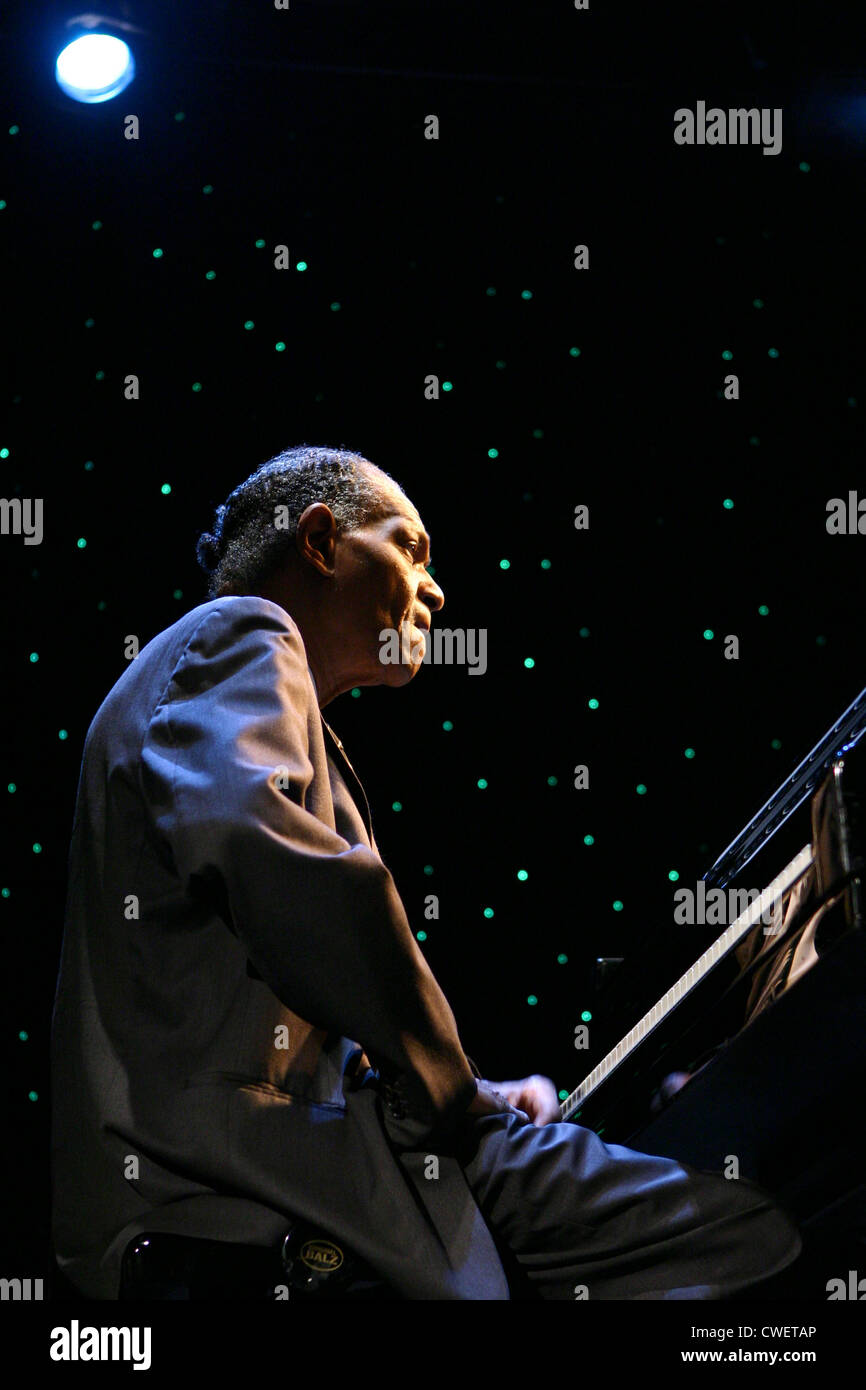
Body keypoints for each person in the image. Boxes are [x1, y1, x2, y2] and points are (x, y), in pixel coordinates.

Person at [50, 443, 802, 1300]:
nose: (436, 589)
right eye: (409, 546)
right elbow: (284, 871)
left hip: (268, 1166)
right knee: (756, 1227)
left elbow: (295, 992)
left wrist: (470, 1086)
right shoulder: (242, 634)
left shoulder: (237, 692)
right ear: (322, 542)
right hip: (238, 1181)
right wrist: (452, 1093)